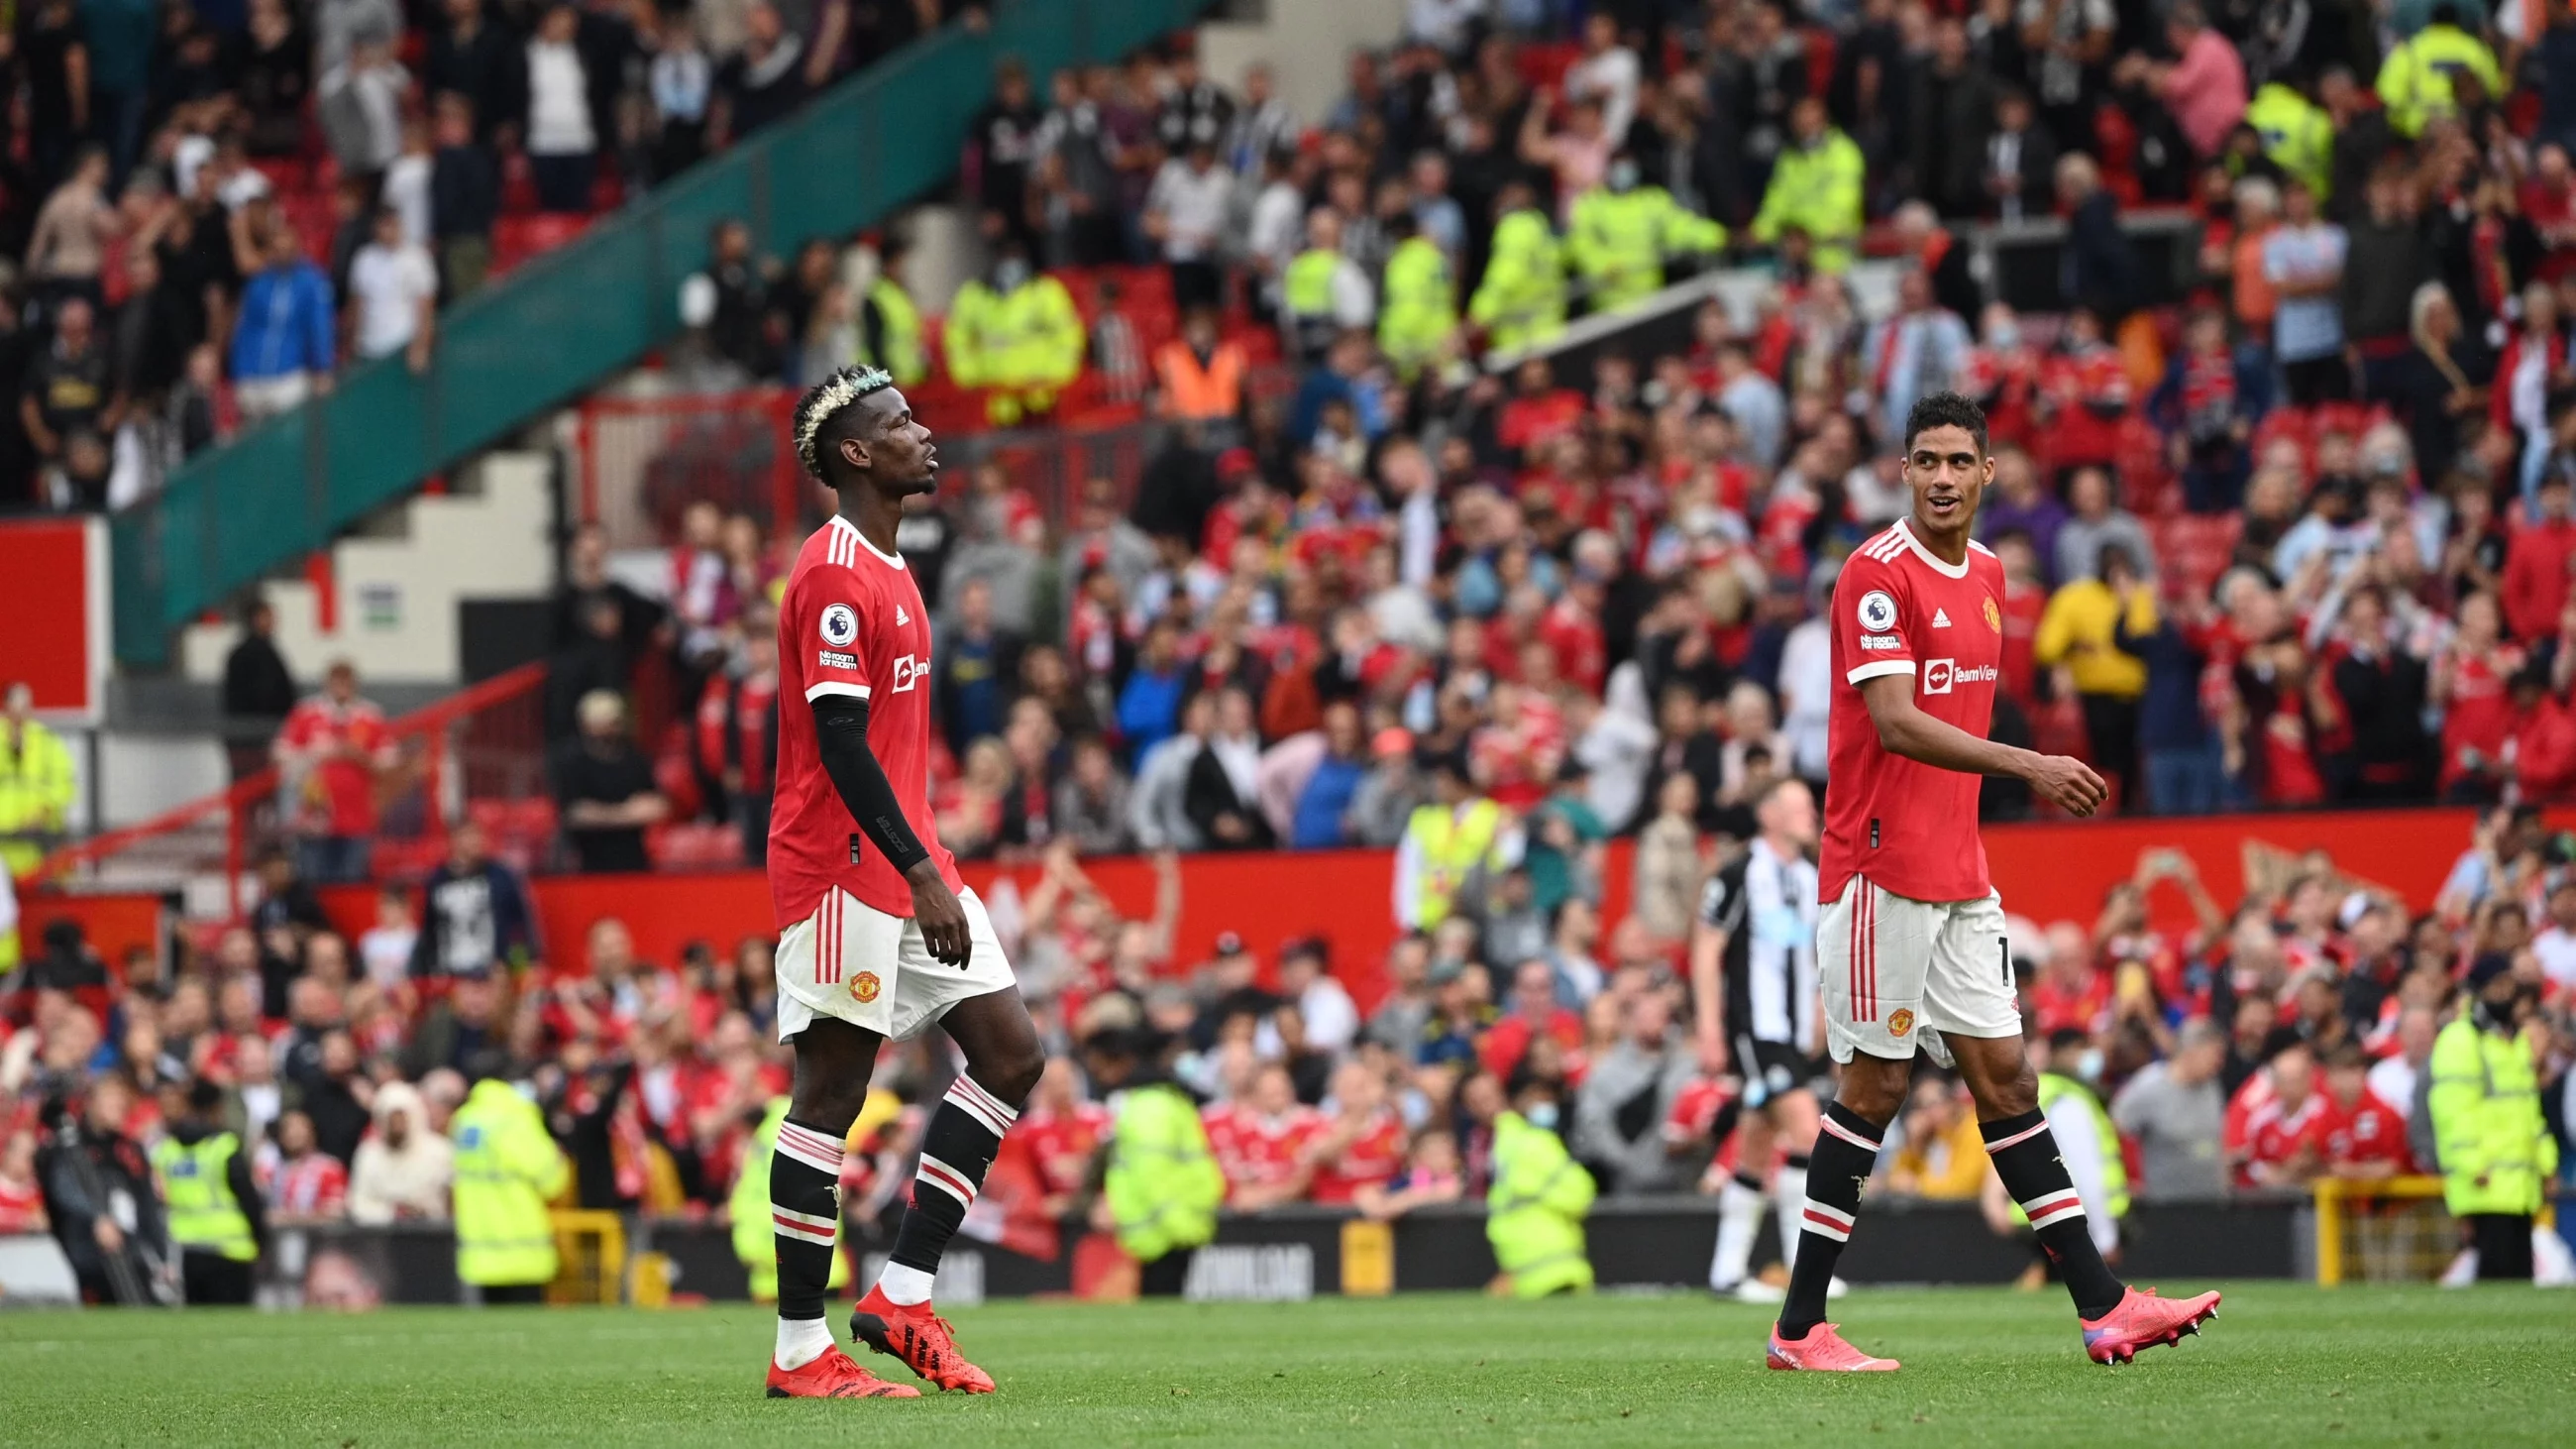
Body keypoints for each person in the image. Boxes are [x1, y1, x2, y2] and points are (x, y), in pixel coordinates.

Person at [1765, 391, 2217, 1372]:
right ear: (1901, 471)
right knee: (1874, 1084)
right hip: (1878, 866)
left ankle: (2101, 1306)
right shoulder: (1872, 577)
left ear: (1985, 475)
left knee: (2008, 1078)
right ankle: (1799, 1325)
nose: (1938, 477)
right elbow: (1893, 721)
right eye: (1922, 460)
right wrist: (2031, 766)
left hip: (1958, 873)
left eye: (1956, 462)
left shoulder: (1985, 573)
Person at [760, 365, 1047, 1398]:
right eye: (900, 425)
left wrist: (928, 859)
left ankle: (901, 1295)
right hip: (844, 869)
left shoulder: (890, 563)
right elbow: (839, 740)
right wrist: (920, 868)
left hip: (908, 860)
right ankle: (800, 1351)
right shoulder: (834, 570)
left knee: (1011, 1053)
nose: (925, 436)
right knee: (832, 1093)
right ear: (855, 454)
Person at [1694, 776, 1828, 1301]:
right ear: (1768, 814)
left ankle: (1727, 1273)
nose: (1810, 816)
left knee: (1755, 1144)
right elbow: (1707, 948)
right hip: (1757, 1027)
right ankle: (1804, 1272)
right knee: (1807, 1134)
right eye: (1798, 807)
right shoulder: (1738, 873)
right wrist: (1709, 1025)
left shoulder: (1809, 875)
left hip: (1795, 1031)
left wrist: (1820, 1009)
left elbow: (1814, 953)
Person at [2427, 955, 2557, 1282]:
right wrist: (2472, 1165)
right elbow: (2453, 1111)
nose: (2505, 994)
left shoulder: (2511, 1042)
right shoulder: (2462, 1040)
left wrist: (2545, 1161)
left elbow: (2528, 1111)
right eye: (2497, 986)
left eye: (2508, 986)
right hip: (2486, 1180)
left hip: (2519, 1182)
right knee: (2495, 1279)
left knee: (2518, 1281)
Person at [1084, 1026, 1223, 1296]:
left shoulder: (1148, 1107)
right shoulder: (1164, 1101)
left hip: (1164, 1233)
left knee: (1160, 1306)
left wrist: (1175, 1227)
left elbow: (1153, 1173)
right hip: (1171, 1228)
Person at [449, 1053, 571, 1304]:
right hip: (522, 1249)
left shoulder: (464, 1119)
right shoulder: (515, 1118)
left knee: (491, 1337)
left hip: (480, 1251)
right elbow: (552, 1181)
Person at [150, 1079, 268, 1303]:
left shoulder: (167, 1150)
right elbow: (247, 1197)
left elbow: (157, 1197)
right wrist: (260, 1237)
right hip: (231, 1247)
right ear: (217, 1108)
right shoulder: (223, 1147)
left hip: (187, 1248)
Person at [1486, 1068, 1595, 1297]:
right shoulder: (1535, 1142)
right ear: (1516, 1101)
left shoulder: (1505, 1141)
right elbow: (1580, 1192)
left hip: (1521, 1263)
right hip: (1553, 1262)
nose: (1544, 1104)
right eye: (1536, 1097)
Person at [553, 691, 667, 873]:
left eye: (614, 722)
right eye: (602, 723)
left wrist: (602, 814)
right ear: (586, 725)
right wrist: (628, 814)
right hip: (587, 863)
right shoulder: (572, 761)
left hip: (634, 860)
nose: (610, 729)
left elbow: (658, 807)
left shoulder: (635, 759)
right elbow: (575, 813)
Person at [0, 682, 78, 880]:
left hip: (41, 841)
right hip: (4, 842)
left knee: (46, 894)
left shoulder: (46, 740)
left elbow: (64, 783)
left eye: (27, 704)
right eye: (17, 703)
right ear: (6, 705)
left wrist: (45, 810)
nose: (23, 709)